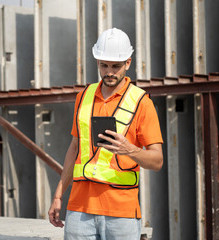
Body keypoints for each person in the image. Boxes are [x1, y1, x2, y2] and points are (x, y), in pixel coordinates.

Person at [48, 28, 164, 239]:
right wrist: (58, 195)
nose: (109, 72)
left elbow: (157, 161)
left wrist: (129, 149)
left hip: (121, 213)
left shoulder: (142, 102)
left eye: (116, 66)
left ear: (128, 63)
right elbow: (74, 148)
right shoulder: (83, 96)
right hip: (79, 209)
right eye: (104, 65)